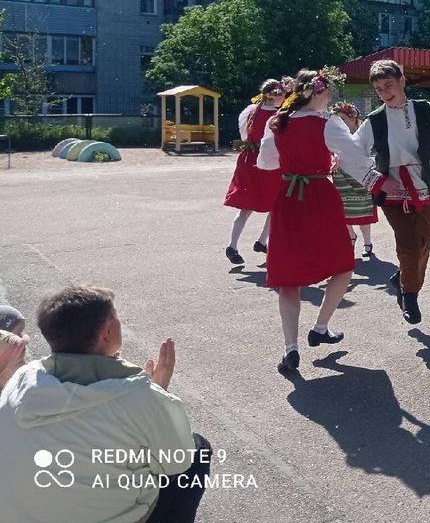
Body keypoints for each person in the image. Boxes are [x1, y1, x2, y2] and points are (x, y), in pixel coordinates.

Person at [0, 285, 211, 523]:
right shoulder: (142, 397)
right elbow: (176, 463)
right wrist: (159, 393)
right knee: (199, 450)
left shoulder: (21, 379)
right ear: (108, 332)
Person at [258, 68, 364, 374]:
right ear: (316, 92)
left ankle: (290, 348)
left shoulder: (277, 121)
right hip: (320, 196)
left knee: (287, 279)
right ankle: (320, 326)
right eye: (328, 91)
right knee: (343, 266)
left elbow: (266, 162)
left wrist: (295, 158)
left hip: (289, 198)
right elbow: (355, 155)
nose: (330, 97)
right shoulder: (328, 122)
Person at [350, 59, 430, 325]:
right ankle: (410, 295)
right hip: (393, 192)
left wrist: (423, 161)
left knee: (424, 242)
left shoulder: (426, 110)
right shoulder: (374, 121)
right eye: (379, 89)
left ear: (402, 81)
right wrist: (376, 179)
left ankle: (400, 278)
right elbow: (352, 152)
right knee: (408, 245)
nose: (385, 93)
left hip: (424, 185)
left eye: (389, 85)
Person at [222, 78, 285, 265]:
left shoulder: (251, 111)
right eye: (282, 95)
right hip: (268, 161)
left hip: (249, 160)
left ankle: (232, 246)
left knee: (246, 207)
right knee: (276, 204)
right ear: (276, 95)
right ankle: (261, 241)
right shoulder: (278, 116)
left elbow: (243, 133)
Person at [331, 102, 378, 261]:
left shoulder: (362, 132)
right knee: (343, 210)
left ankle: (367, 243)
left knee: (363, 209)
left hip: (359, 175)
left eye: (343, 119)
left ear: (353, 118)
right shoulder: (334, 134)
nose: (340, 123)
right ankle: (351, 236)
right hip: (341, 175)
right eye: (337, 120)